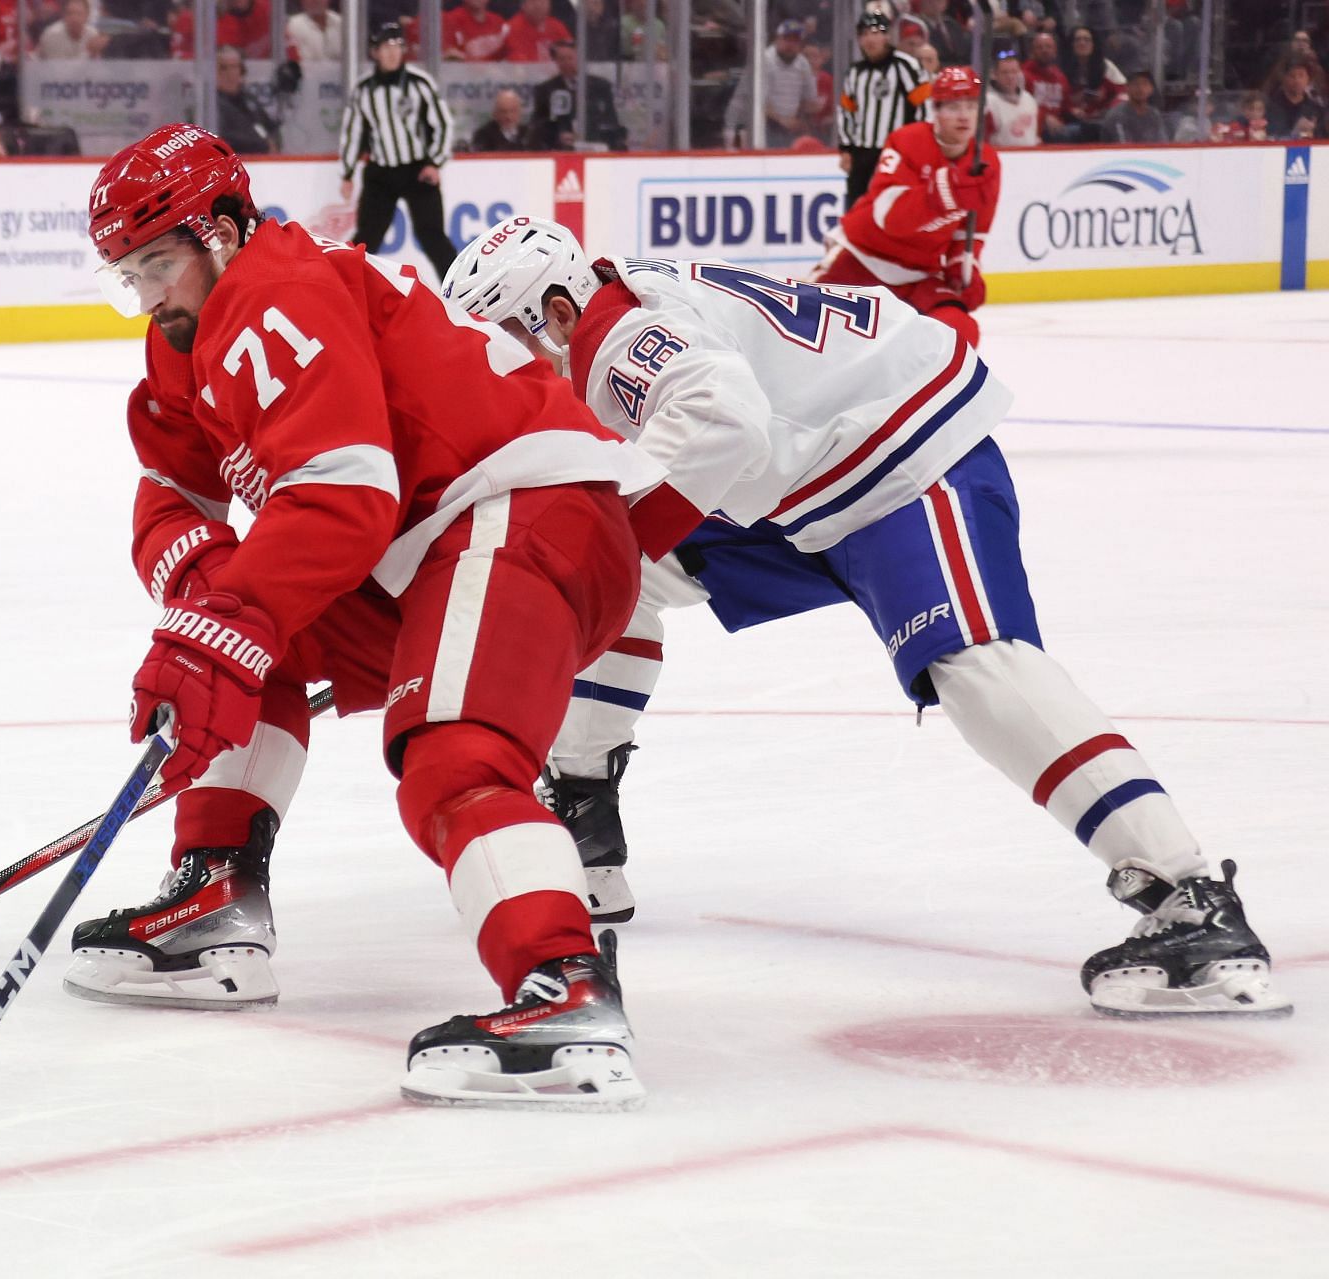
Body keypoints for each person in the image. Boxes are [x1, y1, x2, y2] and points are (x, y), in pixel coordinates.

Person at [442, 214, 1295, 1021]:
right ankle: (586, 820)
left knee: (971, 664)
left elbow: (718, 419)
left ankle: (1189, 896)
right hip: (815, 476)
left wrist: (594, 534)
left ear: (554, 310)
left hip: (900, 463)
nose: (509, 366)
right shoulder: (615, 295)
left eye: (511, 339)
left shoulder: (615, 335)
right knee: (623, 571)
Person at [77, 123, 670, 1108]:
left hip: (519, 511)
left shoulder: (274, 293)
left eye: (159, 265)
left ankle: (563, 988)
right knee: (253, 636)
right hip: (428, 545)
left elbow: (341, 494)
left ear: (222, 231)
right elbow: (167, 492)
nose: (150, 296)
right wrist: (208, 602)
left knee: (453, 760)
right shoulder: (191, 335)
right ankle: (215, 895)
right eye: (128, 276)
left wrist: (219, 619)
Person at [813, 66, 996, 350]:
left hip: (919, 274)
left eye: (971, 106)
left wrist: (963, 269)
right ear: (935, 109)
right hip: (862, 256)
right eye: (953, 106)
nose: (963, 115)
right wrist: (945, 190)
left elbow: (972, 232)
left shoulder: (986, 163)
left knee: (959, 332)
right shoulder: (907, 140)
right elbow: (888, 218)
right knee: (808, 325)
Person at [339, 24, 458, 280]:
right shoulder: (364, 90)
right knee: (367, 238)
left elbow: (443, 124)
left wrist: (434, 162)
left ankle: (462, 289)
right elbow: (353, 132)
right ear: (375, 52)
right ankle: (347, 287)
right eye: (386, 47)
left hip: (417, 169)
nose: (393, 53)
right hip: (381, 173)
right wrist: (347, 172)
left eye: (397, 47)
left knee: (432, 234)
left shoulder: (419, 83)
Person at [838, 9, 928, 208]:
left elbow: (924, 107)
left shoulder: (906, 66)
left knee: (892, 206)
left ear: (887, 36)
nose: (871, 38)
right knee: (857, 207)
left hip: (897, 152)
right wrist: (846, 149)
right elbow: (847, 112)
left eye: (877, 32)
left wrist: (918, 146)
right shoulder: (855, 73)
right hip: (862, 152)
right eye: (865, 33)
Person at [725, 18, 822, 149]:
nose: (791, 45)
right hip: (748, 124)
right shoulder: (764, 60)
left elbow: (809, 100)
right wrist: (786, 121)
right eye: (787, 39)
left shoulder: (802, 63)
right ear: (777, 39)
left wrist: (805, 119)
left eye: (795, 41)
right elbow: (759, 103)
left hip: (783, 126)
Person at [531, 39, 627, 150]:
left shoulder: (600, 86)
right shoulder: (546, 89)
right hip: (562, 150)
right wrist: (558, 135)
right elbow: (539, 124)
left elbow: (610, 119)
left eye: (570, 58)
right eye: (562, 59)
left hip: (596, 146)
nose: (567, 62)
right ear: (556, 61)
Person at [1057, 25, 1123, 140]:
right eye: (1077, 40)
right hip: (1070, 121)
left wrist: (1105, 111)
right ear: (1071, 44)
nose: (1082, 43)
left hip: (1101, 121)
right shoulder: (1060, 68)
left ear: (1093, 44)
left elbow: (1122, 95)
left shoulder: (1106, 66)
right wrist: (1070, 108)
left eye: (1087, 40)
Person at [215, 45, 278, 154]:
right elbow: (222, 139)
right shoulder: (211, 105)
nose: (231, 73)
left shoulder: (249, 101)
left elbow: (269, 128)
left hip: (264, 163)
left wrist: (273, 142)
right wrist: (262, 145)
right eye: (224, 68)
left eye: (235, 67)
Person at [984, 49, 1041, 146]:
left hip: (1030, 156)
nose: (1010, 76)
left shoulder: (1029, 99)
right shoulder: (988, 103)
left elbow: (1035, 134)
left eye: (1014, 72)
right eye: (1005, 72)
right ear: (995, 75)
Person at [1265, 56, 1325, 138]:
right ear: (1283, 78)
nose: (1297, 80)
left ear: (1308, 79)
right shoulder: (1268, 107)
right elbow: (1270, 136)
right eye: (1292, 76)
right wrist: (1295, 133)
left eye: (1301, 75)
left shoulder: (1316, 110)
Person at [1103, 68, 1166, 142]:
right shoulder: (1117, 115)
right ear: (1127, 88)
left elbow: (1162, 144)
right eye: (1135, 84)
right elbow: (1123, 147)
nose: (1140, 88)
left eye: (1145, 84)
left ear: (1151, 89)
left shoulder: (1154, 114)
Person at [501, 0, 571, 64]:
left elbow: (572, 57)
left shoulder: (557, 26)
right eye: (533, 1)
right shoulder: (511, 29)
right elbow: (521, 63)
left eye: (543, 2)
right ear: (523, 5)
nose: (538, 5)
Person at [34, 0, 107, 58]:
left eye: (79, 14)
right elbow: (61, 74)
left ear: (87, 16)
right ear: (63, 15)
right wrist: (88, 52)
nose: (74, 18)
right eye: (70, 13)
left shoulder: (93, 35)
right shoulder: (52, 35)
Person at [443, 0, 507, 62]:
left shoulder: (499, 22)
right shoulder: (449, 20)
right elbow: (448, 55)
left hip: (494, 71)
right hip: (462, 71)